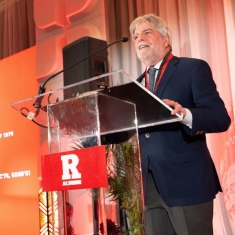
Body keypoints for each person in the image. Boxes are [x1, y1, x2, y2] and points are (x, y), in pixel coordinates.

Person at [129, 14, 231, 235]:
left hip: (188, 183)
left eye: (147, 32)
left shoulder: (192, 69)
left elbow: (221, 118)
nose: (140, 39)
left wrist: (184, 114)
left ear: (166, 39)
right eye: (136, 36)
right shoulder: (136, 86)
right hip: (151, 187)